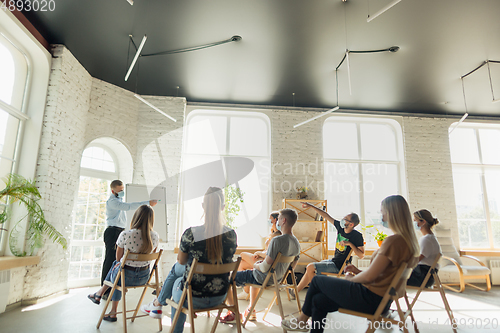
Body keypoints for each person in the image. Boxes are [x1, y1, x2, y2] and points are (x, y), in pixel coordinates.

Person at [281, 195, 419, 333]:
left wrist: (351, 279)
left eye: (382, 212)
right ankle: (305, 323)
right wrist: (357, 272)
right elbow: (381, 274)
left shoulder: (393, 242)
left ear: (392, 214)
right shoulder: (409, 243)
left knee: (316, 281)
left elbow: (370, 277)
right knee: (318, 300)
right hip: (381, 302)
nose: (381, 215)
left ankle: (301, 322)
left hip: (369, 299)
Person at [140, 187, 237, 333]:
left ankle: (157, 303)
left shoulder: (191, 233)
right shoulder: (231, 235)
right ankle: (157, 303)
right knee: (179, 272)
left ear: (203, 206)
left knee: (177, 277)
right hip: (219, 297)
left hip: (193, 297)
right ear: (223, 207)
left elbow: (182, 261)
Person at [219, 208, 301, 324]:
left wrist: (257, 264)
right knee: (253, 272)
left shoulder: (277, 241)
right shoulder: (296, 243)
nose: (277, 221)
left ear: (283, 221)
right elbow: (292, 266)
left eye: (279, 218)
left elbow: (264, 268)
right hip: (277, 280)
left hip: (263, 277)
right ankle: (250, 310)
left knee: (227, 278)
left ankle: (233, 313)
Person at [88, 205, 159, 322]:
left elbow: (118, 257)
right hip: (144, 278)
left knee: (118, 267)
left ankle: (102, 296)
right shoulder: (155, 236)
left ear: (136, 217)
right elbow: (151, 257)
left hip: (124, 278)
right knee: (120, 271)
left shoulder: (126, 234)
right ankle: (104, 301)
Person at [293, 202, 364, 297]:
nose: (342, 220)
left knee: (310, 267)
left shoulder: (357, 236)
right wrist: (311, 206)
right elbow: (326, 216)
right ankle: (295, 292)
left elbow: (361, 255)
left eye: (345, 219)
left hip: (340, 266)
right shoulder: (341, 228)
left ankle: (317, 293)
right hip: (334, 261)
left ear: (351, 224)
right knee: (309, 269)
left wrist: (350, 244)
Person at [101, 180, 157, 298]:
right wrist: (148, 203)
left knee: (116, 262)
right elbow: (129, 207)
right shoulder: (112, 202)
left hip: (120, 231)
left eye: (123, 189)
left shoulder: (119, 200)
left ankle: (110, 289)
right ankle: (105, 291)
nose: (122, 192)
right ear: (113, 191)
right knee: (110, 261)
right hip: (112, 232)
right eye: (120, 190)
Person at [237, 227, 282, 300]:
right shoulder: (273, 244)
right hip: (265, 265)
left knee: (242, 254)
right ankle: (245, 292)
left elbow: (270, 255)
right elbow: (267, 253)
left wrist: (259, 253)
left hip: (264, 267)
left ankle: (244, 290)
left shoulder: (276, 246)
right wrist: (261, 253)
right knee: (242, 264)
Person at [407, 209, 441, 287]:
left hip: (422, 277)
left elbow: (416, 260)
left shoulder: (427, 239)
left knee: (392, 278)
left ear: (423, 222)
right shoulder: (428, 238)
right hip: (424, 275)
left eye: (415, 220)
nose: (413, 223)